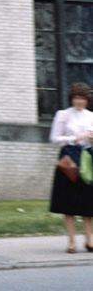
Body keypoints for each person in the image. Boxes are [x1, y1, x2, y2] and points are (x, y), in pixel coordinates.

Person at [49, 82, 93, 253]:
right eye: (76, 98)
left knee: (88, 203)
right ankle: (71, 242)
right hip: (69, 158)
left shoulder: (91, 116)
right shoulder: (63, 115)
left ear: (87, 100)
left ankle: (90, 240)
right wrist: (73, 138)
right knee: (69, 202)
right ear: (71, 99)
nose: (79, 102)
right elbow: (54, 138)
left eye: (82, 98)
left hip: (87, 157)